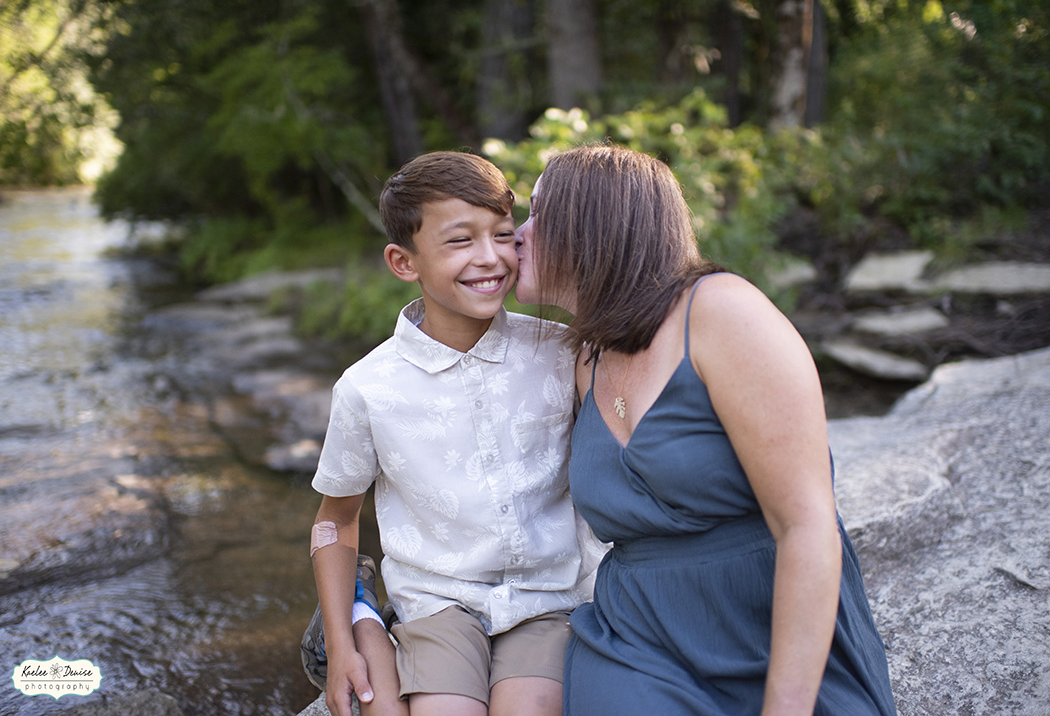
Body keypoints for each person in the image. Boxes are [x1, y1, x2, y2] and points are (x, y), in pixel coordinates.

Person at [514, 144, 898, 716]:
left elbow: (807, 525)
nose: (516, 234)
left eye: (537, 212)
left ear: (593, 222)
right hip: (638, 643)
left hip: (763, 629)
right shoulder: (585, 359)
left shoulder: (722, 313)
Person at [309, 151, 603, 716]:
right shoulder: (368, 388)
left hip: (549, 597)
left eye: (502, 234)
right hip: (438, 603)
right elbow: (336, 519)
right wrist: (341, 647)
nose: (490, 257)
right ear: (404, 261)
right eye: (461, 241)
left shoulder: (560, 351)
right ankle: (363, 615)